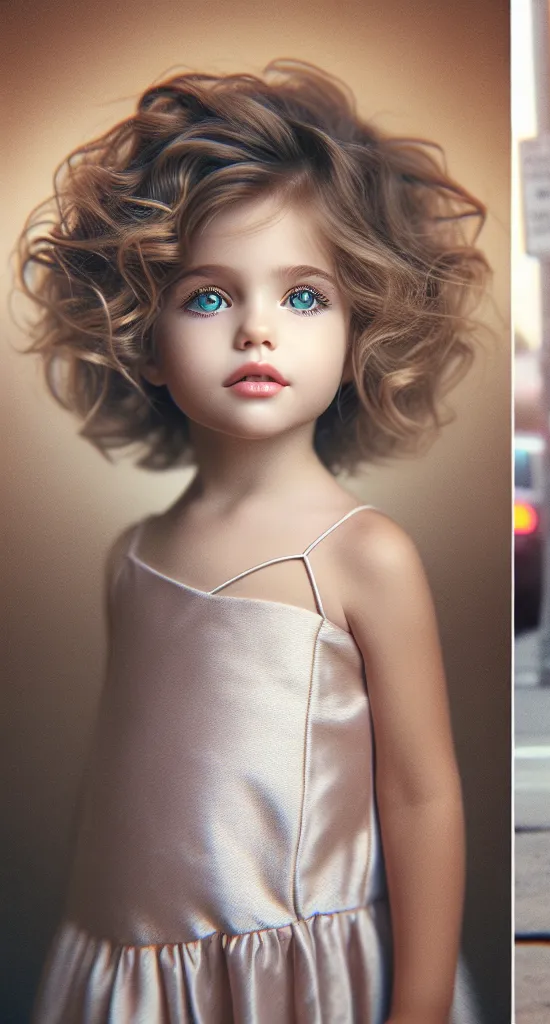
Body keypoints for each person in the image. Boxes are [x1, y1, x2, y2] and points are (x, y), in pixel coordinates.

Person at [18, 62, 487, 1024]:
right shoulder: (133, 553)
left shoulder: (366, 558)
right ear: (142, 333)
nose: (258, 330)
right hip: (126, 977)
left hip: (301, 982)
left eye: (305, 296)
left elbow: (422, 797)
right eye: (208, 297)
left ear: (365, 327)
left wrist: (424, 1005)